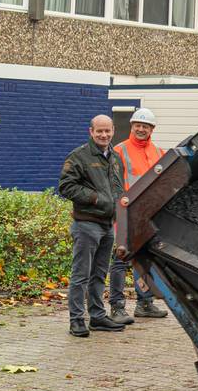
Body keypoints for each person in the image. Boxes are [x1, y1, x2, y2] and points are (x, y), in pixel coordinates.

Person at [58, 115, 126, 337]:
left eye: (107, 131)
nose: (104, 135)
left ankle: (97, 317)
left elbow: (118, 188)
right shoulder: (79, 156)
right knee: (81, 275)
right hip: (87, 225)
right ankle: (76, 320)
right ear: (91, 131)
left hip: (107, 226)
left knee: (99, 274)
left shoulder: (115, 158)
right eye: (99, 131)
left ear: (113, 130)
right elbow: (66, 187)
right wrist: (96, 198)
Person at [108, 109, 168, 323]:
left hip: (148, 215)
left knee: (144, 259)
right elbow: (112, 184)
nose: (141, 129)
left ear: (152, 129)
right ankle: (117, 306)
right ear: (132, 126)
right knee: (121, 259)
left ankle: (144, 303)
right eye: (137, 125)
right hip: (125, 214)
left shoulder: (160, 153)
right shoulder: (119, 151)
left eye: (146, 126)